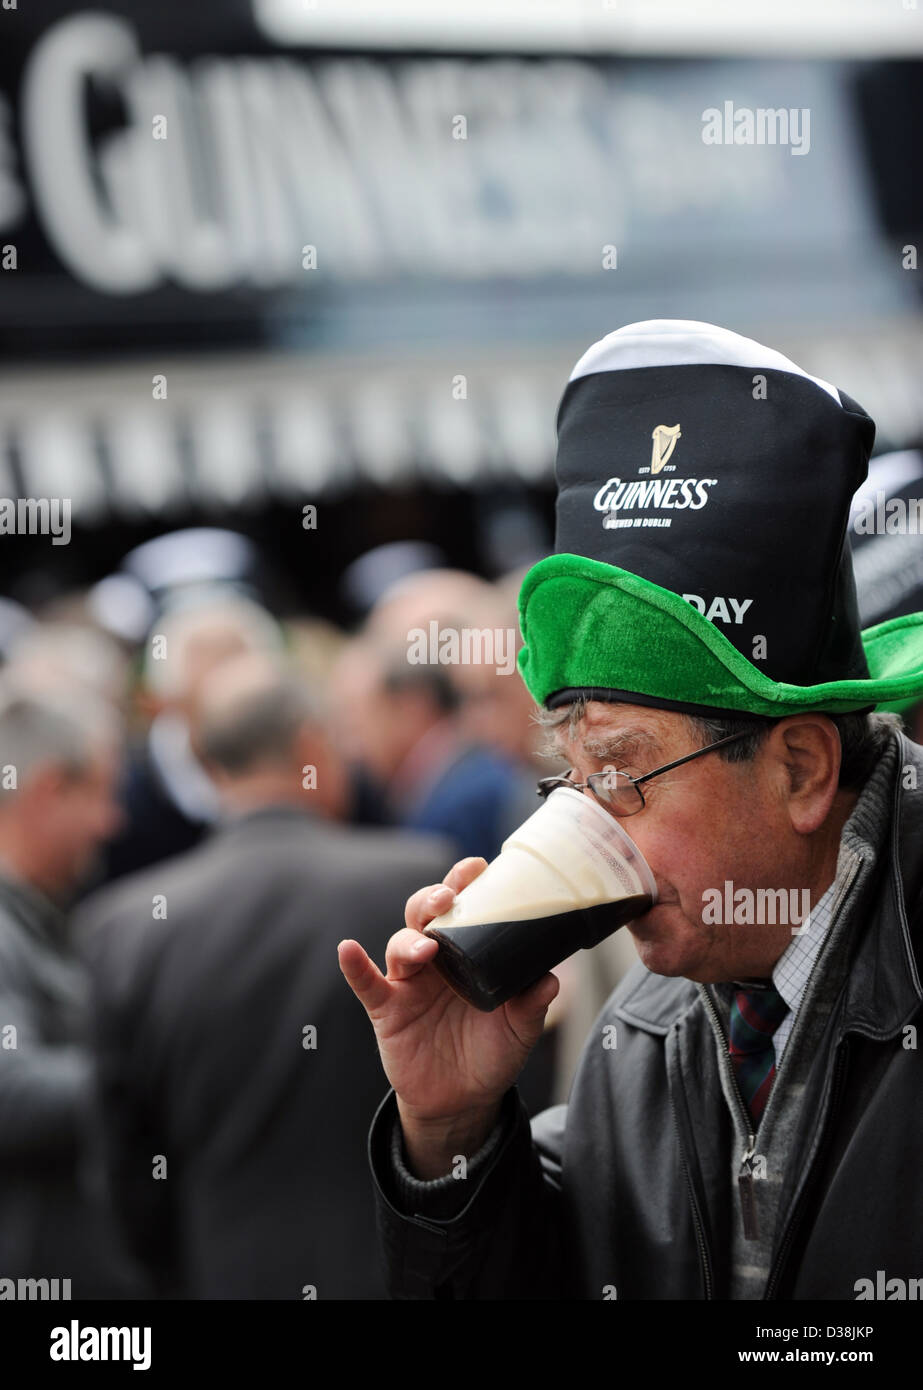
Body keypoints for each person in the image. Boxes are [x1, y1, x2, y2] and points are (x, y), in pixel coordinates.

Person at [339, 319, 923, 1300]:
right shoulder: (644, 1032)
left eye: (620, 773)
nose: (591, 830)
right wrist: (449, 1133)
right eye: (571, 778)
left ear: (800, 770)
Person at [77, 654, 453, 1299]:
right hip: (401, 1271)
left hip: (220, 1273)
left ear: (205, 764)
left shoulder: (123, 928)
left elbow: (122, 1160)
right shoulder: (415, 884)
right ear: (311, 744)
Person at [0, 680, 144, 1297]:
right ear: (48, 789)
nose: (113, 822)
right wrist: (157, 1075)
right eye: (103, 793)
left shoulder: (42, 917)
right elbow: (9, 1092)